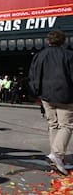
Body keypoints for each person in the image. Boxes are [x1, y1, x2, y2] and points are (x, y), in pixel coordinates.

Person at [28, 30, 73, 175]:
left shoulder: (40, 55)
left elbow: (33, 75)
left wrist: (36, 93)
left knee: (53, 124)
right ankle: (57, 154)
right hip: (65, 95)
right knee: (67, 125)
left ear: (48, 41)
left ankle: (55, 155)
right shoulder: (69, 55)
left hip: (46, 95)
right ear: (63, 41)